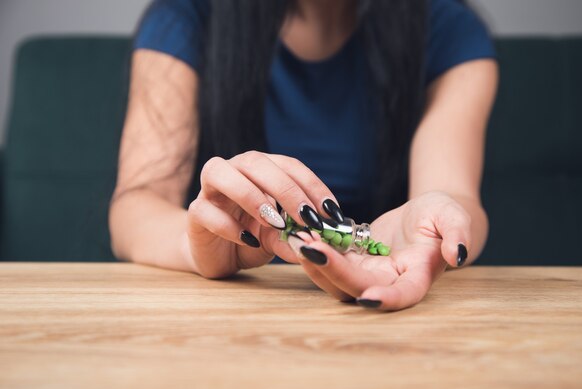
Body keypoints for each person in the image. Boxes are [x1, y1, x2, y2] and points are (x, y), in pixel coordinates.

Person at [109, 0, 498, 311]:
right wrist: (197, 245)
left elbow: (452, 193)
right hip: (225, 313)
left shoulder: (448, 28)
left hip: (380, 319)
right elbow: (136, 206)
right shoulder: (182, 17)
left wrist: (439, 224)